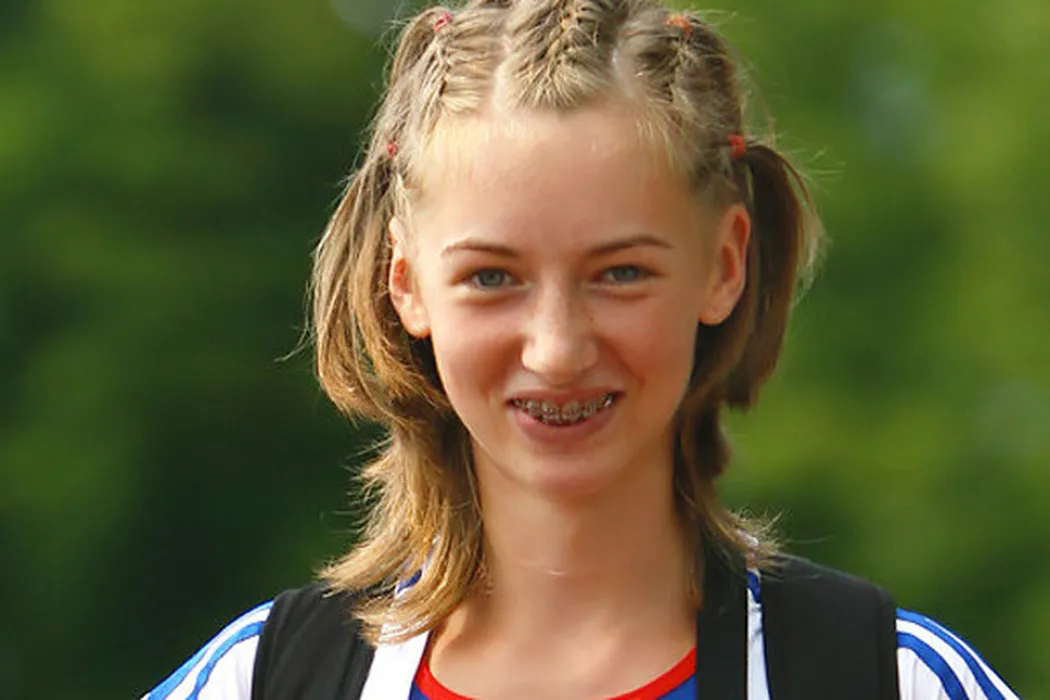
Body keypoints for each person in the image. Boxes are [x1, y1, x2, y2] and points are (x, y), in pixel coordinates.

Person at [141, 1, 1020, 698]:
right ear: (404, 283)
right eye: (491, 277)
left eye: (621, 273)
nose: (557, 350)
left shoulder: (886, 679)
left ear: (725, 265)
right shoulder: (261, 680)